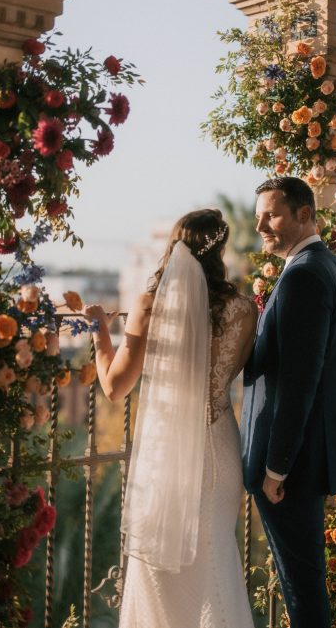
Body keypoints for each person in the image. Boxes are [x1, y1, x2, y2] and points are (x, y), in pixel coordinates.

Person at [84, 209, 257, 628]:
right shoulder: (245, 309)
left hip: (169, 452)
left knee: (161, 566)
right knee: (217, 557)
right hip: (220, 447)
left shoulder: (150, 305)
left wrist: (97, 330)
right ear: (220, 248)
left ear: (176, 246)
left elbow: (114, 387)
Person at [241, 177, 336, 628]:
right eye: (258, 217)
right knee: (305, 582)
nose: (261, 227)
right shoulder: (334, 268)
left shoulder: (305, 275)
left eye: (270, 215)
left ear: (304, 214)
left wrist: (276, 468)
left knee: (302, 588)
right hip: (312, 457)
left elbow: (298, 383)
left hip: (292, 466)